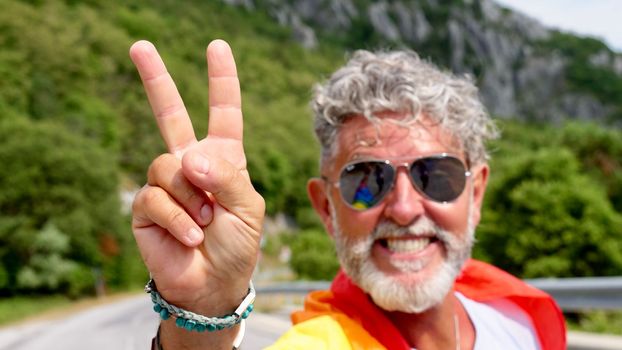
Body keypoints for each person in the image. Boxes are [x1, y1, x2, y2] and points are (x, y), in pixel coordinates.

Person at [129, 39, 566, 350]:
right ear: (325, 206)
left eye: (436, 176)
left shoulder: (520, 322)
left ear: (477, 193)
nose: (404, 207)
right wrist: (203, 321)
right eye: (366, 180)